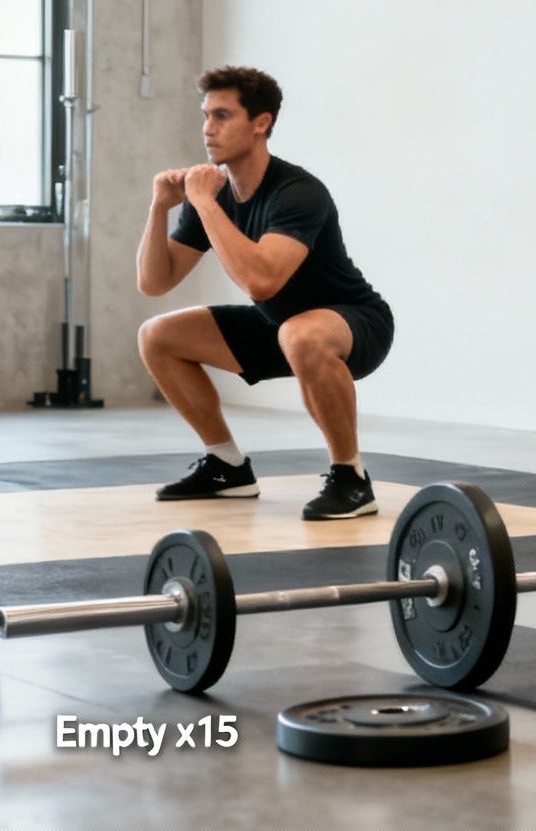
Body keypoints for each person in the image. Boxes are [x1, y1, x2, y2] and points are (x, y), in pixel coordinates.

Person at [134, 66, 394, 520]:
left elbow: (261, 281)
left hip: (355, 321)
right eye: (205, 116)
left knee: (301, 334)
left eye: (222, 116)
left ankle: (351, 479)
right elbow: (155, 282)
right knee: (157, 335)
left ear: (261, 123)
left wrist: (205, 204)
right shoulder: (212, 195)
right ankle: (226, 467)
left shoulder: (298, 192)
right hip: (280, 327)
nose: (208, 129)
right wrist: (160, 206)